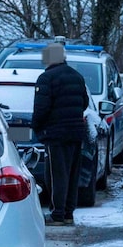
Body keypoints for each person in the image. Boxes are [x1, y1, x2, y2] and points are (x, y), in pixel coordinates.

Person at [31, 42, 88, 226]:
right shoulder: (77, 77)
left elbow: (41, 108)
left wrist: (36, 126)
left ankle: (57, 214)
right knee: (71, 174)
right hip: (76, 132)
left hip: (56, 133)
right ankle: (69, 212)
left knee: (57, 175)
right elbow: (84, 103)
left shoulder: (46, 78)